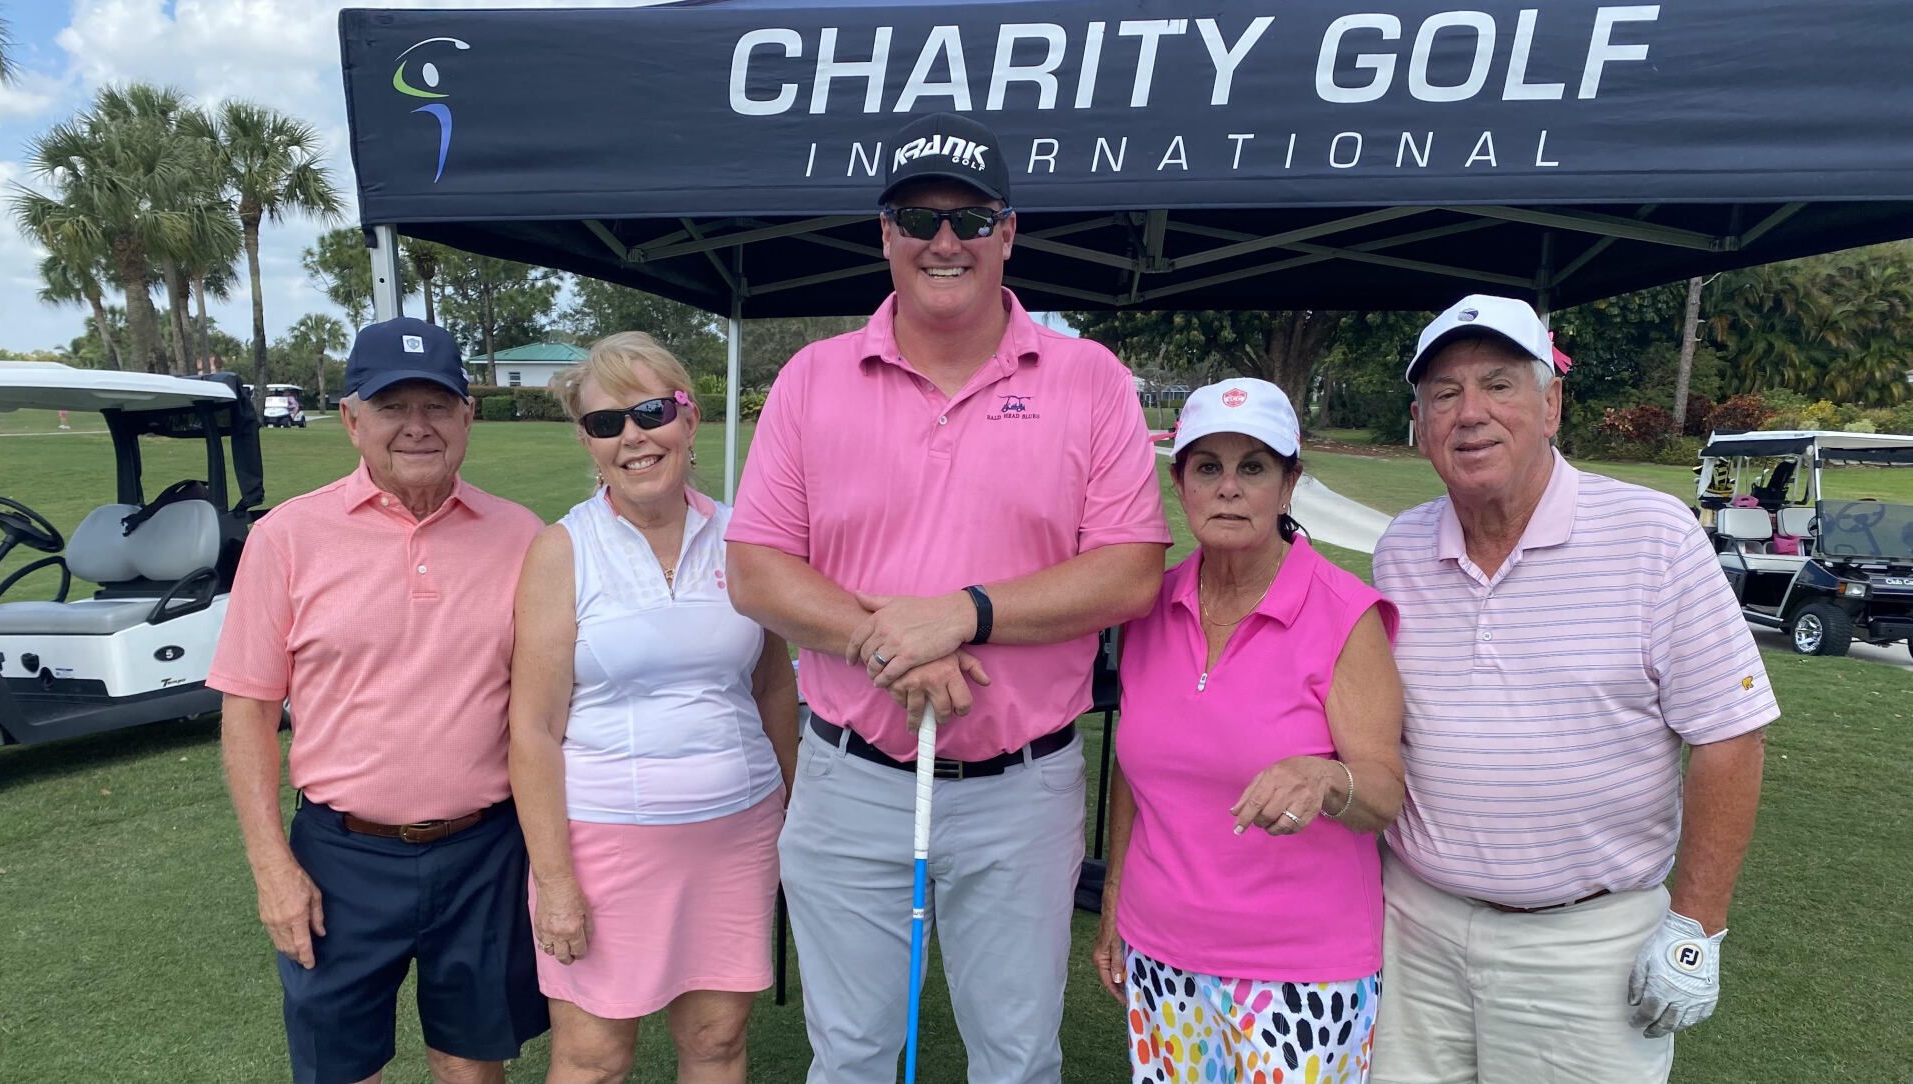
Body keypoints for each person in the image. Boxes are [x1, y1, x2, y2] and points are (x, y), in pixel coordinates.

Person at [726, 110, 1172, 1084]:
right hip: (851, 778)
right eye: (919, 217)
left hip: (1024, 786)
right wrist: (885, 639)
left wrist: (961, 612)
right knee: (851, 1055)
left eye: (972, 220)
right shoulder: (811, 381)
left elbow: (1131, 569)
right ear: (884, 232)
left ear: (1008, 234)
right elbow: (756, 567)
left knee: (1015, 1057)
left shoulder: (1090, 380)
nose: (944, 241)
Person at [1368, 295, 1778, 1084]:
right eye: (1444, 394)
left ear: (1551, 404)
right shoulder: (1401, 548)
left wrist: (1697, 928)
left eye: (1499, 385)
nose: (1471, 414)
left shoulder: (1653, 537)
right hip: (1414, 927)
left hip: (1587, 944)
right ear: (1419, 422)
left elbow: (1731, 736)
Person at [211, 317, 549, 1084]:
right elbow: (248, 711)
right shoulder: (288, 537)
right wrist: (271, 865)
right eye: (394, 407)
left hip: (485, 852)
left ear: (468, 417)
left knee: (472, 1066)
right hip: (340, 856)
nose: (418, 427)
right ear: (352, 420)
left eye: (438, 405)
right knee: (339, 1067)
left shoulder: (524, 537)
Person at [1093, 378, 1405, 1084]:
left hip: (1300, 971)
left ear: (1290, 483)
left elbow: (1384, 794)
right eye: (1208, 468)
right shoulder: (1148, 607)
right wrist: (1114, 900)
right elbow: (1135, 771)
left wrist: (1329, 779)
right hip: (1161, 953)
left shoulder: (1344, 615)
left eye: (1254, 467)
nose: (1229, 488)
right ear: (1181, 486)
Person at [509, 332, 799, 1084]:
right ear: (588, 441)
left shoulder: (743, 536)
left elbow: (772, 687)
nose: (633, 436)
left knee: (716, 1044)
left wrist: (798, 813)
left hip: (736, 835)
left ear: (688, 417)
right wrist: (557, 882)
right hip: (601, 846)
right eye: (607, 423)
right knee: (593, 1057)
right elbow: (534, 730)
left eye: (650, 412)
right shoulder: (561, 551)